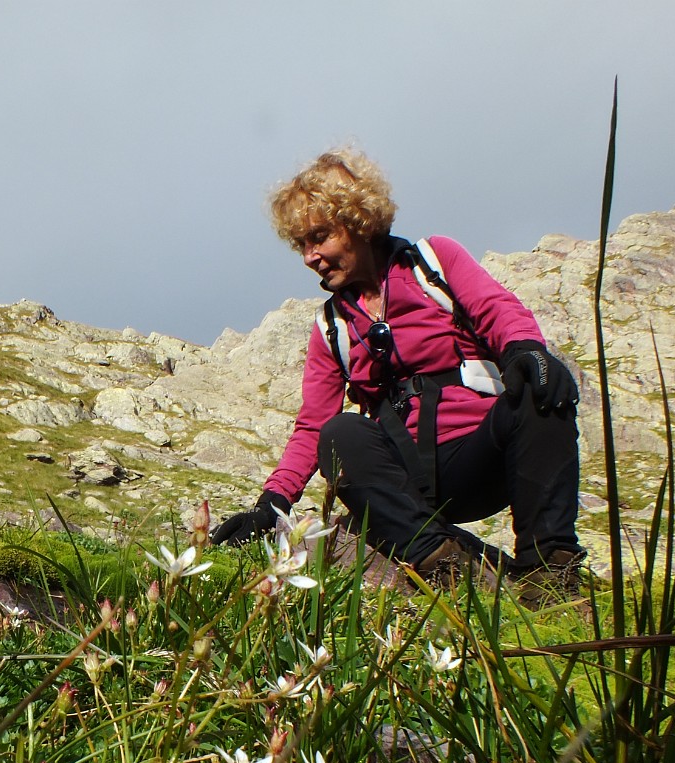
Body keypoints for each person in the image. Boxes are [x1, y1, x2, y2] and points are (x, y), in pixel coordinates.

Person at [211, 148, 585, 597]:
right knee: (340, 433)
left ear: (358, 221)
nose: (310, 256)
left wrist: (526, 350)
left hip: (486, 457)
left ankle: (549, 571)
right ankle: (439, 561)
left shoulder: (434, 263)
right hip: (408, 483)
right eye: (301, 245)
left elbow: (495, 308)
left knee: (538, 392)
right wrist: (272, 505)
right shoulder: (332, 328)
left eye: (320, 237)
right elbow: (312, 427)